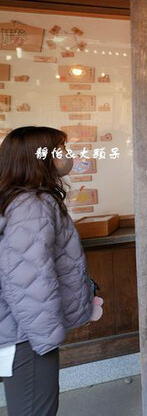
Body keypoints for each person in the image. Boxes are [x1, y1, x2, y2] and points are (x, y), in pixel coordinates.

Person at [0, 126, 103, 416]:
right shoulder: (33, 205)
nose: (67, 157)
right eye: (61, 150)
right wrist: (44, 339)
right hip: (28, 334)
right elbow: (26, 279)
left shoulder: (19, 199)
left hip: (21, 328)